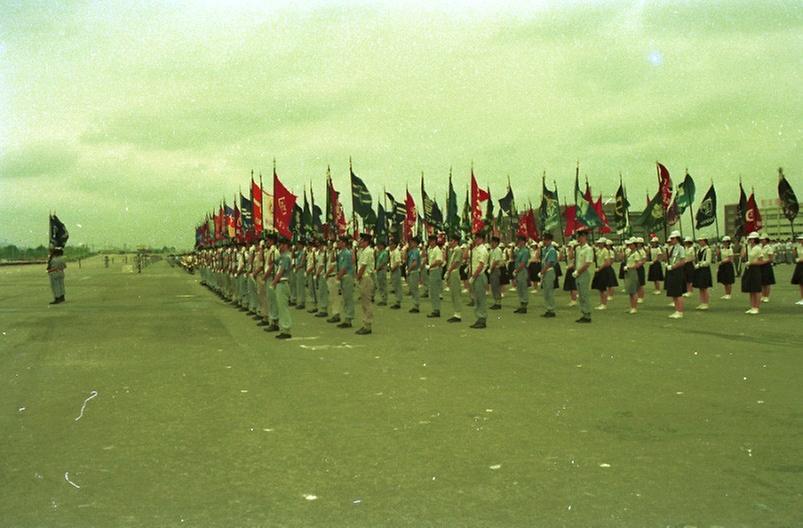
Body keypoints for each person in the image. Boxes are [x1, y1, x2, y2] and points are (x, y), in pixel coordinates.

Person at [271, 238, 293, 339]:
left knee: (283, 307)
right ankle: (284, 328)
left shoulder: (286, 258)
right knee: (281, 307)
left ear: (285, 246)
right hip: (281, 283)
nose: (279, 247)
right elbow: (273, 262)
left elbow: (280, 271)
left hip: (282, 283)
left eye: (281, 245)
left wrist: (274, 282)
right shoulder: (282, 257)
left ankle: (286, 329)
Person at [355, 233, 375, 335]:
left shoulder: (368, 251)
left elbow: (363, 267)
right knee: (364, 302)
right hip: (364, 278)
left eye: (361, 240)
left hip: (366, 278)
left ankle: (367, 325)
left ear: (366, 242)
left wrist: (357, 277)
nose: (359, 242)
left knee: (366, 302)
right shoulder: (363, 251)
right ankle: (365, 324)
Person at [572, 230, 594, 323]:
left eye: (580, 236)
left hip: (584, 273)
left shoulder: (588, 249)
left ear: (585, 237)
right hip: (577, 272)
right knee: (580, 295)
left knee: (584, 295)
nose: (579, 238)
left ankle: (587, 314)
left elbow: (587, 263)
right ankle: (584, 313)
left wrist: (578, 272)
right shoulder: (577, 249)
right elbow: (576, 261)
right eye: (578, 236)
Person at [741, 231, 765, 314]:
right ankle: (752, 306)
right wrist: (744, 246)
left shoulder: (758, 248)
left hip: (755, 269)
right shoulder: (748, 247)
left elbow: (761, 261)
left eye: (752, 239)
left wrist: (752, 263)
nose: (750, 240)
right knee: (750, 289)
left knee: (756, 289)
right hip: (748, 268)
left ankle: (756, 307)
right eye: (749, 239)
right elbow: (742, 256)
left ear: (755, 240)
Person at [469, 232, 489, 328]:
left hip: (479, 276)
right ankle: (478, 318)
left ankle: (482, 319)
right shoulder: (475, 249)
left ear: (482, 239)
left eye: (477, 238)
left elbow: (481, 265)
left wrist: (473, 276)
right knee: (477, 298)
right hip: (475, 275)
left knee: (481, 299)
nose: (475, 240)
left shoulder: (483, 250)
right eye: (475, 238)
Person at [665, 231, 687, 319]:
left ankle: (680, 311)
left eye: (673, 238)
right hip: (671, 270)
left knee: (678, 293)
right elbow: (668, 258)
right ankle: (677, 310)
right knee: (673, 292)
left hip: (677, 270)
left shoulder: (681, 248)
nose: (671, 240)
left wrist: (673, 266)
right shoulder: (671, 248)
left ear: (677, 239)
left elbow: (682, 261)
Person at [336, 236, 355, 328]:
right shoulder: (341, 253)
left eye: (339, 241)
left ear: (344, 243)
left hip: (347, 277)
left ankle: (349, 319)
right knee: (345, 298)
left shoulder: (347, 253)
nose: (337, 243)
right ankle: (346, 318)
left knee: (348, 298)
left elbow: (344, 267)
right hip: (343, 277)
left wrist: (338, 277)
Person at [445, 234, 464, 323]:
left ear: (456, 241)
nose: (450, 242)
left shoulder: (458, 250)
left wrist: (448, 271)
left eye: (452, 241)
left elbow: (456, 263)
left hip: (455, 272)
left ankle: (458, 314)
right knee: (453, 293)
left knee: (456, 293)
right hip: (452, 272)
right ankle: (456, 312)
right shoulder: (452, 250)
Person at [539, 233, 557, 317]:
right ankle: (548, 308)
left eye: (546, 240)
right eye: (544, 240)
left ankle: (551, 309)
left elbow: (550, 262)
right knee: (546, 291)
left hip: (548, 271)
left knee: (549, 291)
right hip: (545, 271)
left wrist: (542, 271)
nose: (544, 241)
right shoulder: (545, 249)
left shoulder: (551, 250)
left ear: (550, 241)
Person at [623, 238, 643, 314]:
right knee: (630, 291)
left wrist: (629, 267)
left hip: (633, 272)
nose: (629, 246)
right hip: (628, 271)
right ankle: (631, 307)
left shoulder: (636, 253)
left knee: (633, 290)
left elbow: (638, 264)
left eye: (631, 244)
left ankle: (634, 308)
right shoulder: (630, 253)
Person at [693, 236, 713, 310]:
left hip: (705, 269)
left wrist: (700, 264)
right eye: (699, 241)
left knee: (704, 287)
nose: (700, 242)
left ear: (705, 241)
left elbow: (708, 262)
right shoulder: (699, 249)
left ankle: (706, 303)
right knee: (700, 287)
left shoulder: (708, 250)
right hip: (699, 270)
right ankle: (702, 303)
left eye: (701, 241)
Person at [592, 238, 612, 310]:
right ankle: (601, 303)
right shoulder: (599, 250)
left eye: (600, 243)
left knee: (603, 288)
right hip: (598, 269)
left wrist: (599, 268)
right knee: (600, 288)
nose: (599, 244)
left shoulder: (605, 251)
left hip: (603, 270)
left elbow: (607, 262)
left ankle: (604, 304)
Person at [427, 236, 444, 318]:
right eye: (429, 241)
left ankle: (436, 310)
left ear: (434, 241)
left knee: (435, 291)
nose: (430, 242)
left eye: (431, 241)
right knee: (432, 291)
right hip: (432, 271)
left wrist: (430, 266)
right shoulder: (431, 250)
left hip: (435, 270)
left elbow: (439, 261)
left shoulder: (437, 250)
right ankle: (435, 309)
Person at [326, 240, 342, 323]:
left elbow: (333, 264)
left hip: (333, 276)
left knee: (335, 297)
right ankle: (334, 313)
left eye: (329, 244)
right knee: (332, 297)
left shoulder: (336, 254)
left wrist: (326, 274)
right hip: (330, 277)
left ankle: (336, 314)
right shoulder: (329, 253)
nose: (328, 246)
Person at [407, 237, 422, 313]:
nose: (411, 243)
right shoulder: (411, 251)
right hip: (412, 271)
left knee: (414, 289)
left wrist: (409, 270)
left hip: (414, 271)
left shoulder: (415, 251)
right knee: (412, 289)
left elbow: (414, 262)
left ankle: (416, 305)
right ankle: (414, 304)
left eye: (412, 242)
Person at [315, 239, 329, 318]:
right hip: (319, 274)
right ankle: (321, 308)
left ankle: (324, 309)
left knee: (323, 292)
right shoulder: (318, 253)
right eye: (318, 245)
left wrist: (317, 273)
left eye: (320, 245)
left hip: (323, 274)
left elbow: (322, 265)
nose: (319, 247)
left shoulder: (325, 254)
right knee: (320, 292)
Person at [488, 236, 504, 310]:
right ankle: (495, 301)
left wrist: (491, 269)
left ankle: (498, 303)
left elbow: (496, 261)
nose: (492, 243)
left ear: (496, 243)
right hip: (492, 269)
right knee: (493, 286)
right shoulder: (492, 250)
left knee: (496, 286)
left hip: (496, 269)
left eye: (493, 242)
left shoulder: (498, 250)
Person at [759, 234, 775, 303]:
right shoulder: (759, 247)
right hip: (760, 265)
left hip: (767, 266)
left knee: (767, 282)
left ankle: (766, 296)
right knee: (762, 282)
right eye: (761, 240)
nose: (761, 241)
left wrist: (763, 261)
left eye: (763, 240)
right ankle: (762, 295)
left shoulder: (769, 248)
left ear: (766, 240)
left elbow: (771, 259)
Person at [389, 239, 403, 309]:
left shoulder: (396, 252)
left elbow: (397, 262)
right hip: (393, 270)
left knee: (397, 286)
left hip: (396, 270)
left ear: (394, 245)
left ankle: (398, 301)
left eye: (391, 244)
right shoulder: (393, 252)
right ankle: (397, 300)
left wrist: (392, 269)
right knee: (395, 286)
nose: (390, 246)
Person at [563, 240, 578, 306]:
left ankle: (574, 300)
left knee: (573, 286)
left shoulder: (575, 252)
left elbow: (571, 257)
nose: (568, 247)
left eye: (570, 246)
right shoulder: (569, 251)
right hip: (570, 269)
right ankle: (572, 299)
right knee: (571, 286)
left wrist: (571, 249)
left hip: (573, 269)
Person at [375, 240, 389, 306]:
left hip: (382, 270)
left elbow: (384, 262)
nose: (378, 246)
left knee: (383, 285)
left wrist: (378, 268)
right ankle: (382, 298)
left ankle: (384, 299)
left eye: (379, 245)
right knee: (380, 285)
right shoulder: (379, 252)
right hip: (378, 270)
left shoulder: (384, 253)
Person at [792, 234, 803, 305]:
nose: (800, 240)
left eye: (801, 239)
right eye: (800, 239)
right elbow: (795, 255)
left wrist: (800, 260)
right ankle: (802, 299)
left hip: (801, 263)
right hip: (800, 265)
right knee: (801, 283)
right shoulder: (798, 246)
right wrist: (794, 250)